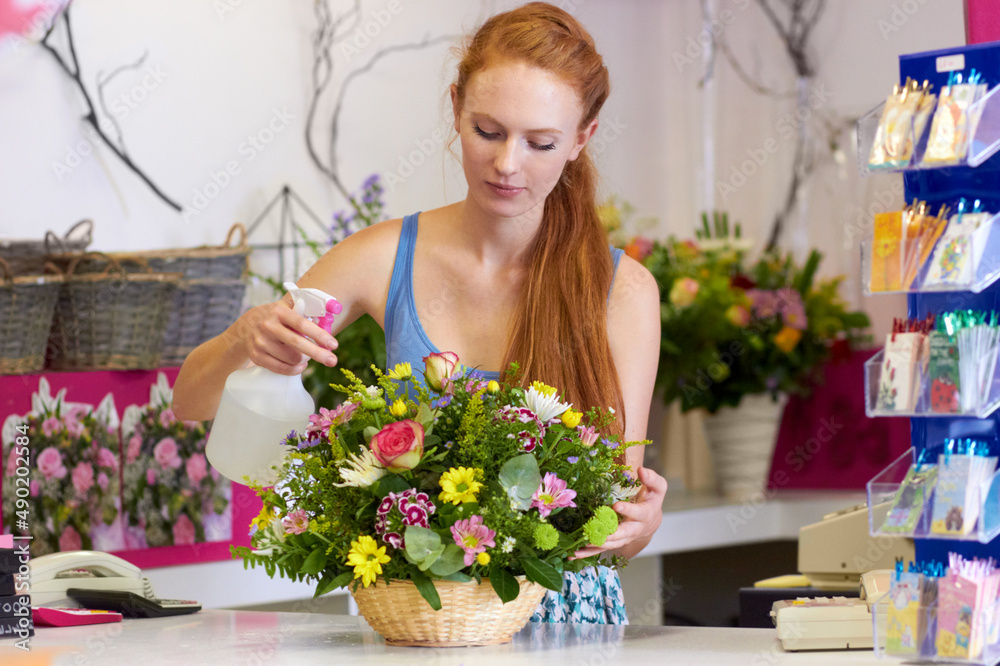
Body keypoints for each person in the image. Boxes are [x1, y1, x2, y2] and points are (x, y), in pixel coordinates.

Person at [173, 1, 666, 625]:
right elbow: (189, 400)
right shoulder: (383, 258)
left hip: (569, 627)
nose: (508, 163)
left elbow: (619, 522)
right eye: (487, 131)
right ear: (456, 107)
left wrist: (640, 523)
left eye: (540, 142)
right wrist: (247, 340)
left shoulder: (622, 291)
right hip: (422, 620)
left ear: (582, 139)